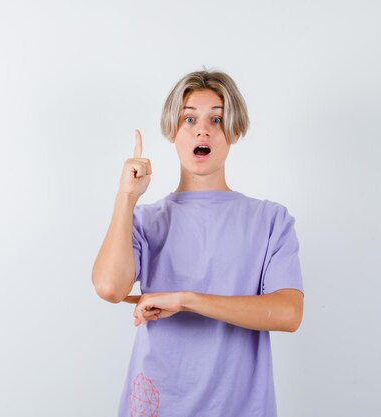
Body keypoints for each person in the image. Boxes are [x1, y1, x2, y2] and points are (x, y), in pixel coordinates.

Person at [91, 69, 304, 417]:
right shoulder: (145, 219)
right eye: (189, 118)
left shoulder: (270, 220)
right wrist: (125, 198)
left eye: (216, 119)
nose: (202, 129)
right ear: (173, 131)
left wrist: (187, 300)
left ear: (234, 131)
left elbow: (288, 313)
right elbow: (110, 287)